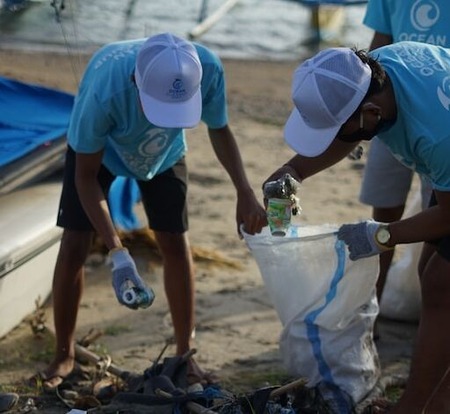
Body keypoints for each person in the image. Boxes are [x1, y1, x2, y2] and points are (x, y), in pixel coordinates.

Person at [36, 32, 267, 391]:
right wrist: (117, 251)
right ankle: (63, 353)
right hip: (102, 156)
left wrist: (244, 190)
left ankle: (185, 354)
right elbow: (85, 178)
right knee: (75, 245)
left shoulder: (205, 69)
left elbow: (220, 129)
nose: (165, 117)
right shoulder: (104, 91)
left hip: (164, 155)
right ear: (135, 82)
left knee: (175, 244)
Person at [265, 43, 450, 412]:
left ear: (370, 112)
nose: (335, 136)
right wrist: (294, 170)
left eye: (338, 128)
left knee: (441, 284)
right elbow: (350, 131)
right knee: (432, 276)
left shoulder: (436, 135)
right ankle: (437, 401)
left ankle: (414, 406)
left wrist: (380, 235)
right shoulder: (374, 72)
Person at [359, 0, 449, 307]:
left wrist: (380, 237)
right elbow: (378, 43)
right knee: (384, 207)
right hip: (389, 105)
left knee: (434, 223)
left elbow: (444, 217)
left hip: (438, 113)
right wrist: (358, 117)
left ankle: (433, 319)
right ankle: (373, 308)